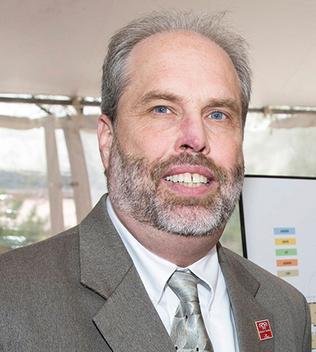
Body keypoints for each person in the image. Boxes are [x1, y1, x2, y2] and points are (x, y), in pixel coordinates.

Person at [0, 11, 311, 352]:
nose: (195, 137)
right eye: (162, 109)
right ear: (107, 140)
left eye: (218, 114)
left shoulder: (285, 309)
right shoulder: (10, 298)